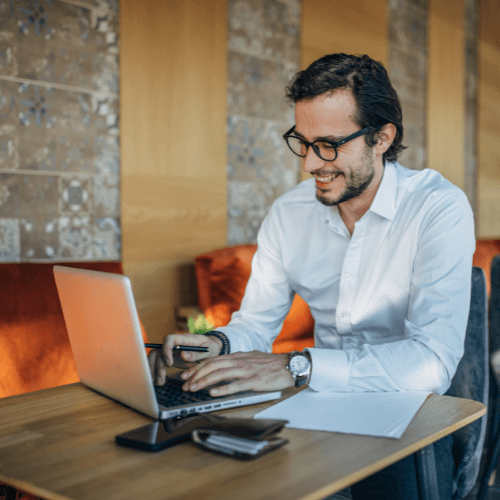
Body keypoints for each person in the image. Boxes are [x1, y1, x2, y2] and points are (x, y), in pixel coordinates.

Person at [149, 53, 475, 499]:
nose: (309, 164)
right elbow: (257, 322)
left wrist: (297, 366)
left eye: (329, 144)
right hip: (318, 406)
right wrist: (221, 343)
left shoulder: (438, 208)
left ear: (382, 138)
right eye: (302, 142)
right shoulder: (289, 213)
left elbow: (432, 361)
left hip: (412, 412)